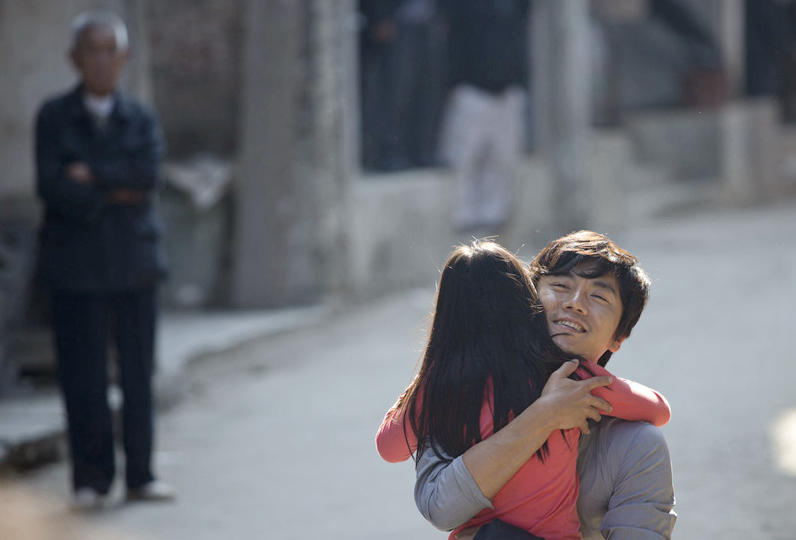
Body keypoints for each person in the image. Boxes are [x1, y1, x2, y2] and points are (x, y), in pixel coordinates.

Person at [375, 238, 670, 539]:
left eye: (598, 296)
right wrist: (547, 412)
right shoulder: (570, 376)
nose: (574, 303)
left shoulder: (442, 386)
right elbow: (659, 409)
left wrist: (426, 380)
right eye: (560, 286)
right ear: (527, 296)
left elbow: (389, 446)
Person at [34, 11, 174, 509]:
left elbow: (147, 178)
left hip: (135, 262)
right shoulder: (54, 117)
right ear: (75, 58)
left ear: (124, 57)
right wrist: (116, 185)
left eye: (109, 49)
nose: (101, 60)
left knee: (138, 376)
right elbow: (53, 187)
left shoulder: (140, 117)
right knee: (83, 379)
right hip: (75, 268)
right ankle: (90, 480)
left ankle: (141, 474)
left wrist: (90, 176)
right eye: (91, 50)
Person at [437, 0, 530, 231]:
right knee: (465, 157)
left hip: (507, 89)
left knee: (503, 158)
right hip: (471, 89)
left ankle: (495, 218)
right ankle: (464, 220)